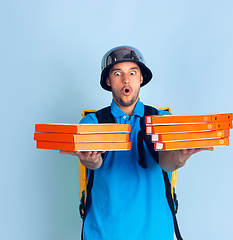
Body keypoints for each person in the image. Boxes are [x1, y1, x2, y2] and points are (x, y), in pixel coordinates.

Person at [60, 46, 213, 240]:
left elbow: (167, 162)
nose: (126, 79)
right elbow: (95, 163)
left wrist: (179, 157)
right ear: (108, 80)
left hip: (156, 234)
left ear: (141, 78)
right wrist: (89, 159)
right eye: (118, 73)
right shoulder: (92, 122)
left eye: (133, 72)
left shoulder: (162, 119)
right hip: (103, 234)